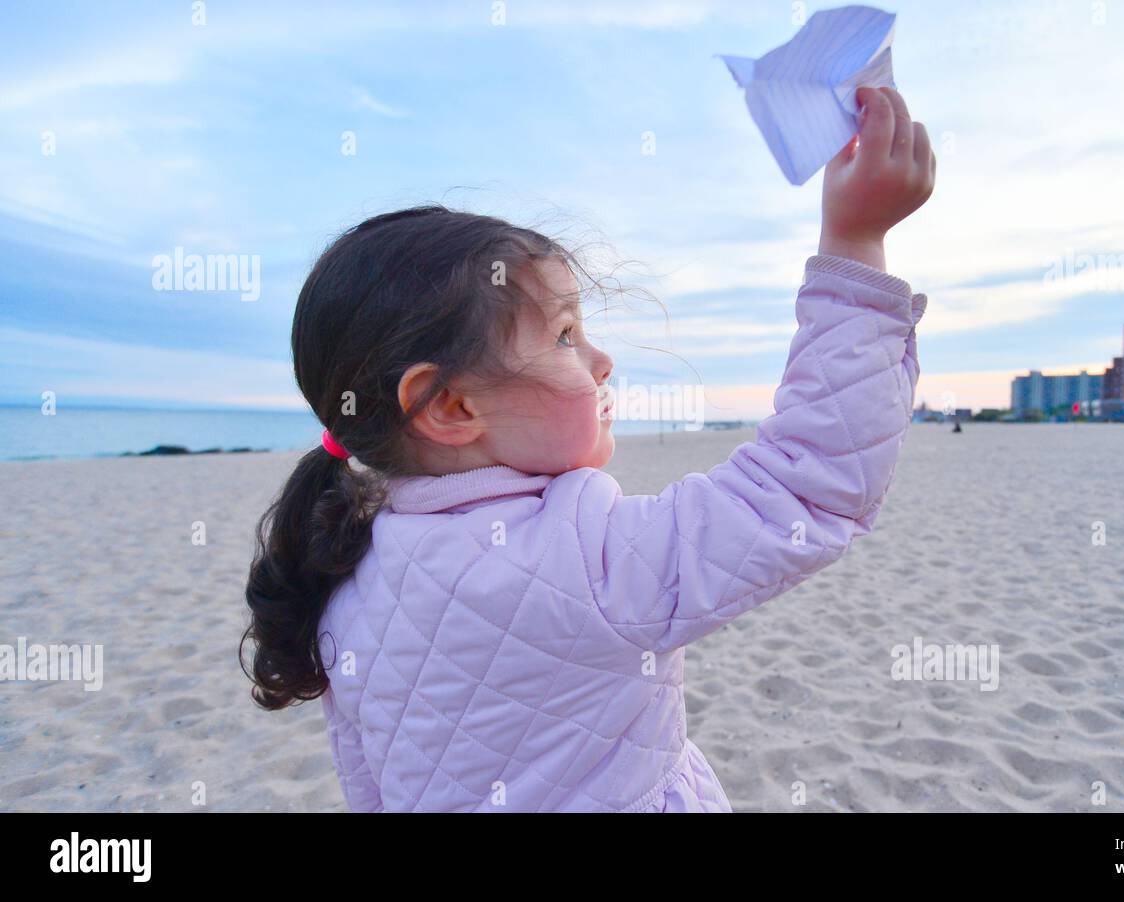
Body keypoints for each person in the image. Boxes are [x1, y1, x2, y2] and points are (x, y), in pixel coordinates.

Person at [242, 86, 935, 811]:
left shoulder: (342, 574)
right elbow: (805, 484)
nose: (601, 360)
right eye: (566, 336)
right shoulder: (586, 558)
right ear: (450, 406)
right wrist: (856, 245)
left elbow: (371, 788)